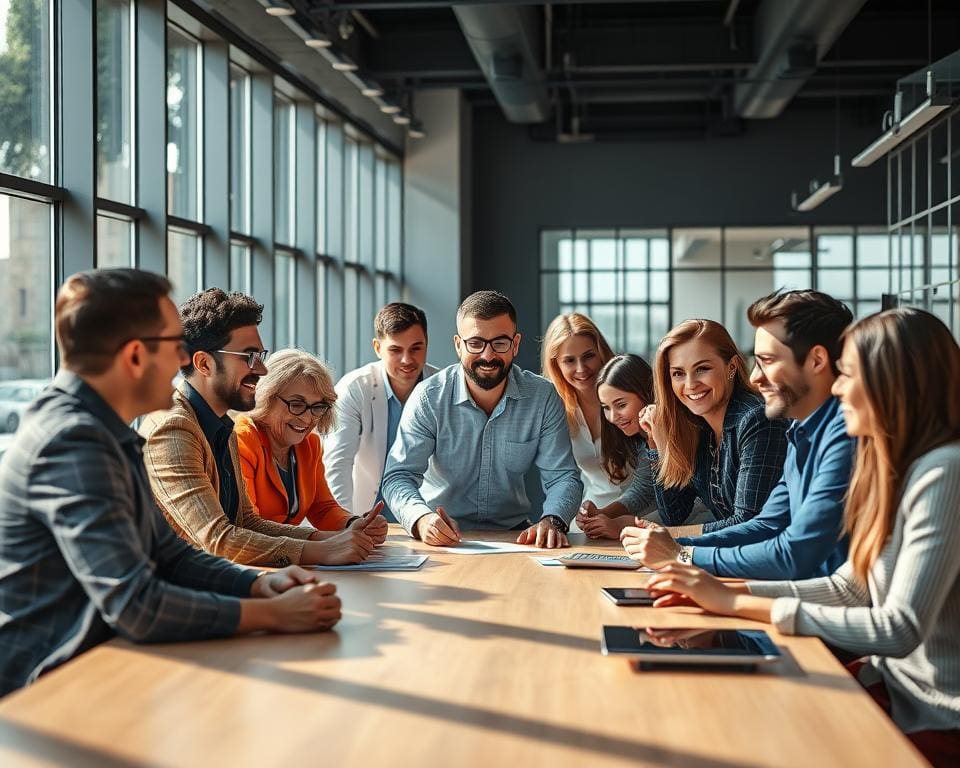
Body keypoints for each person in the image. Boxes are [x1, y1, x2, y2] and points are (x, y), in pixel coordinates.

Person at [0, 269, 342, 698]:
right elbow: (136, 606)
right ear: (136, 356)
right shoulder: (73, 441)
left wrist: (257, 584)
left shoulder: (104, 431)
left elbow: (169, 555)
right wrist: (272, 614)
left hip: (99, 669)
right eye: (174, 345)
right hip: (46, 691)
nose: (184, 360)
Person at [642, 308, 960, 766]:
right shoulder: (893, 466)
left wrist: (731, 601)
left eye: (848, 374)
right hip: (894, 689)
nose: (837, 387)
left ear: (895, 384)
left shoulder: (943, 471)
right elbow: (849, 588)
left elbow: (899, 628)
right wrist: (715, 592)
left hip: (935, 717)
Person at [622, 290, 855, 579]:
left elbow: (792, 554)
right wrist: (673, 547)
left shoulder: (845, 436)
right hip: (790, 592)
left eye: (767, 360)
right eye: (678, 373)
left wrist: (680, 555)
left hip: (811, 601)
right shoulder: (800, 431)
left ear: (817, 360)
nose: (756, 377)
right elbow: (766, 524)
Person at [141, 288, 381, 568]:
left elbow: (247, 522)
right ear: (204, 363)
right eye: (249, 356)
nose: (262, 370)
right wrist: (323, 551)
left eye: (260, 356)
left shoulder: (220, 425)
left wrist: (328, 540)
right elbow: (219, 540)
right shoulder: (173, 429)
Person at [381, 290, 583, 549]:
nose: (487, 356)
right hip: (441, 536)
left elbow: (563, 476)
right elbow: (398, 476)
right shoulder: (428, 398)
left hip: (515, 537)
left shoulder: (542, 398)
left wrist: (553, 520)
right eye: (475, 343)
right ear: (458, 344)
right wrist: (421, 519)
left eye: (499, 343)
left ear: (515, 344)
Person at [638, 318, 788, 532]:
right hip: (729, 559)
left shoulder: (758, 419)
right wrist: (658, 444)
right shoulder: (695, 425)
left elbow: (749, 524)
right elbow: (674, 514)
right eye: (678, 373)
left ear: (732, 366)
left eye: (702, 369)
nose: (690, 385)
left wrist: (667, 536)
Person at [235, 348, 389, 538]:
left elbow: (322, 508)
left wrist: (355, 524)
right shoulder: (242, 441)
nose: (307, 418)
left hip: (284, 560)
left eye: (317, 407)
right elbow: (248, 526)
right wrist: (318, 542)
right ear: (266, 397)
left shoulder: (309, 445)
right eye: (297, 404)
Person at [323, 303, 438, 523]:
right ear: (377, 347)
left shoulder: (442, 388)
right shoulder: (355, 388)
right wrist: (342, 527)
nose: (407, 360)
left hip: (425, 517)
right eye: (395, 350)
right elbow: (337, 463)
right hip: (365, 516)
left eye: (416, 348)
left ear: (427, 344)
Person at [541, 314, 645, 537]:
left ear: (601, 354)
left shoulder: (628, 395)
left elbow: (650, 482)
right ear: (556, 365)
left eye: (588, 356)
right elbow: (559, 477)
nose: (581, 368)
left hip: (646, 514)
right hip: (592, 519)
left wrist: (610, 516)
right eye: (569, 360)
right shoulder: (555, 409)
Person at [570, 354, 659, 538]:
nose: (612, 417)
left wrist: (621, 527)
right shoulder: (641, 438)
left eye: (621, 405)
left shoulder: (668, 434)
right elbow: (644, 488)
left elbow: (678, 513)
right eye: (606, 407)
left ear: (646, 393)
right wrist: (601, 514)